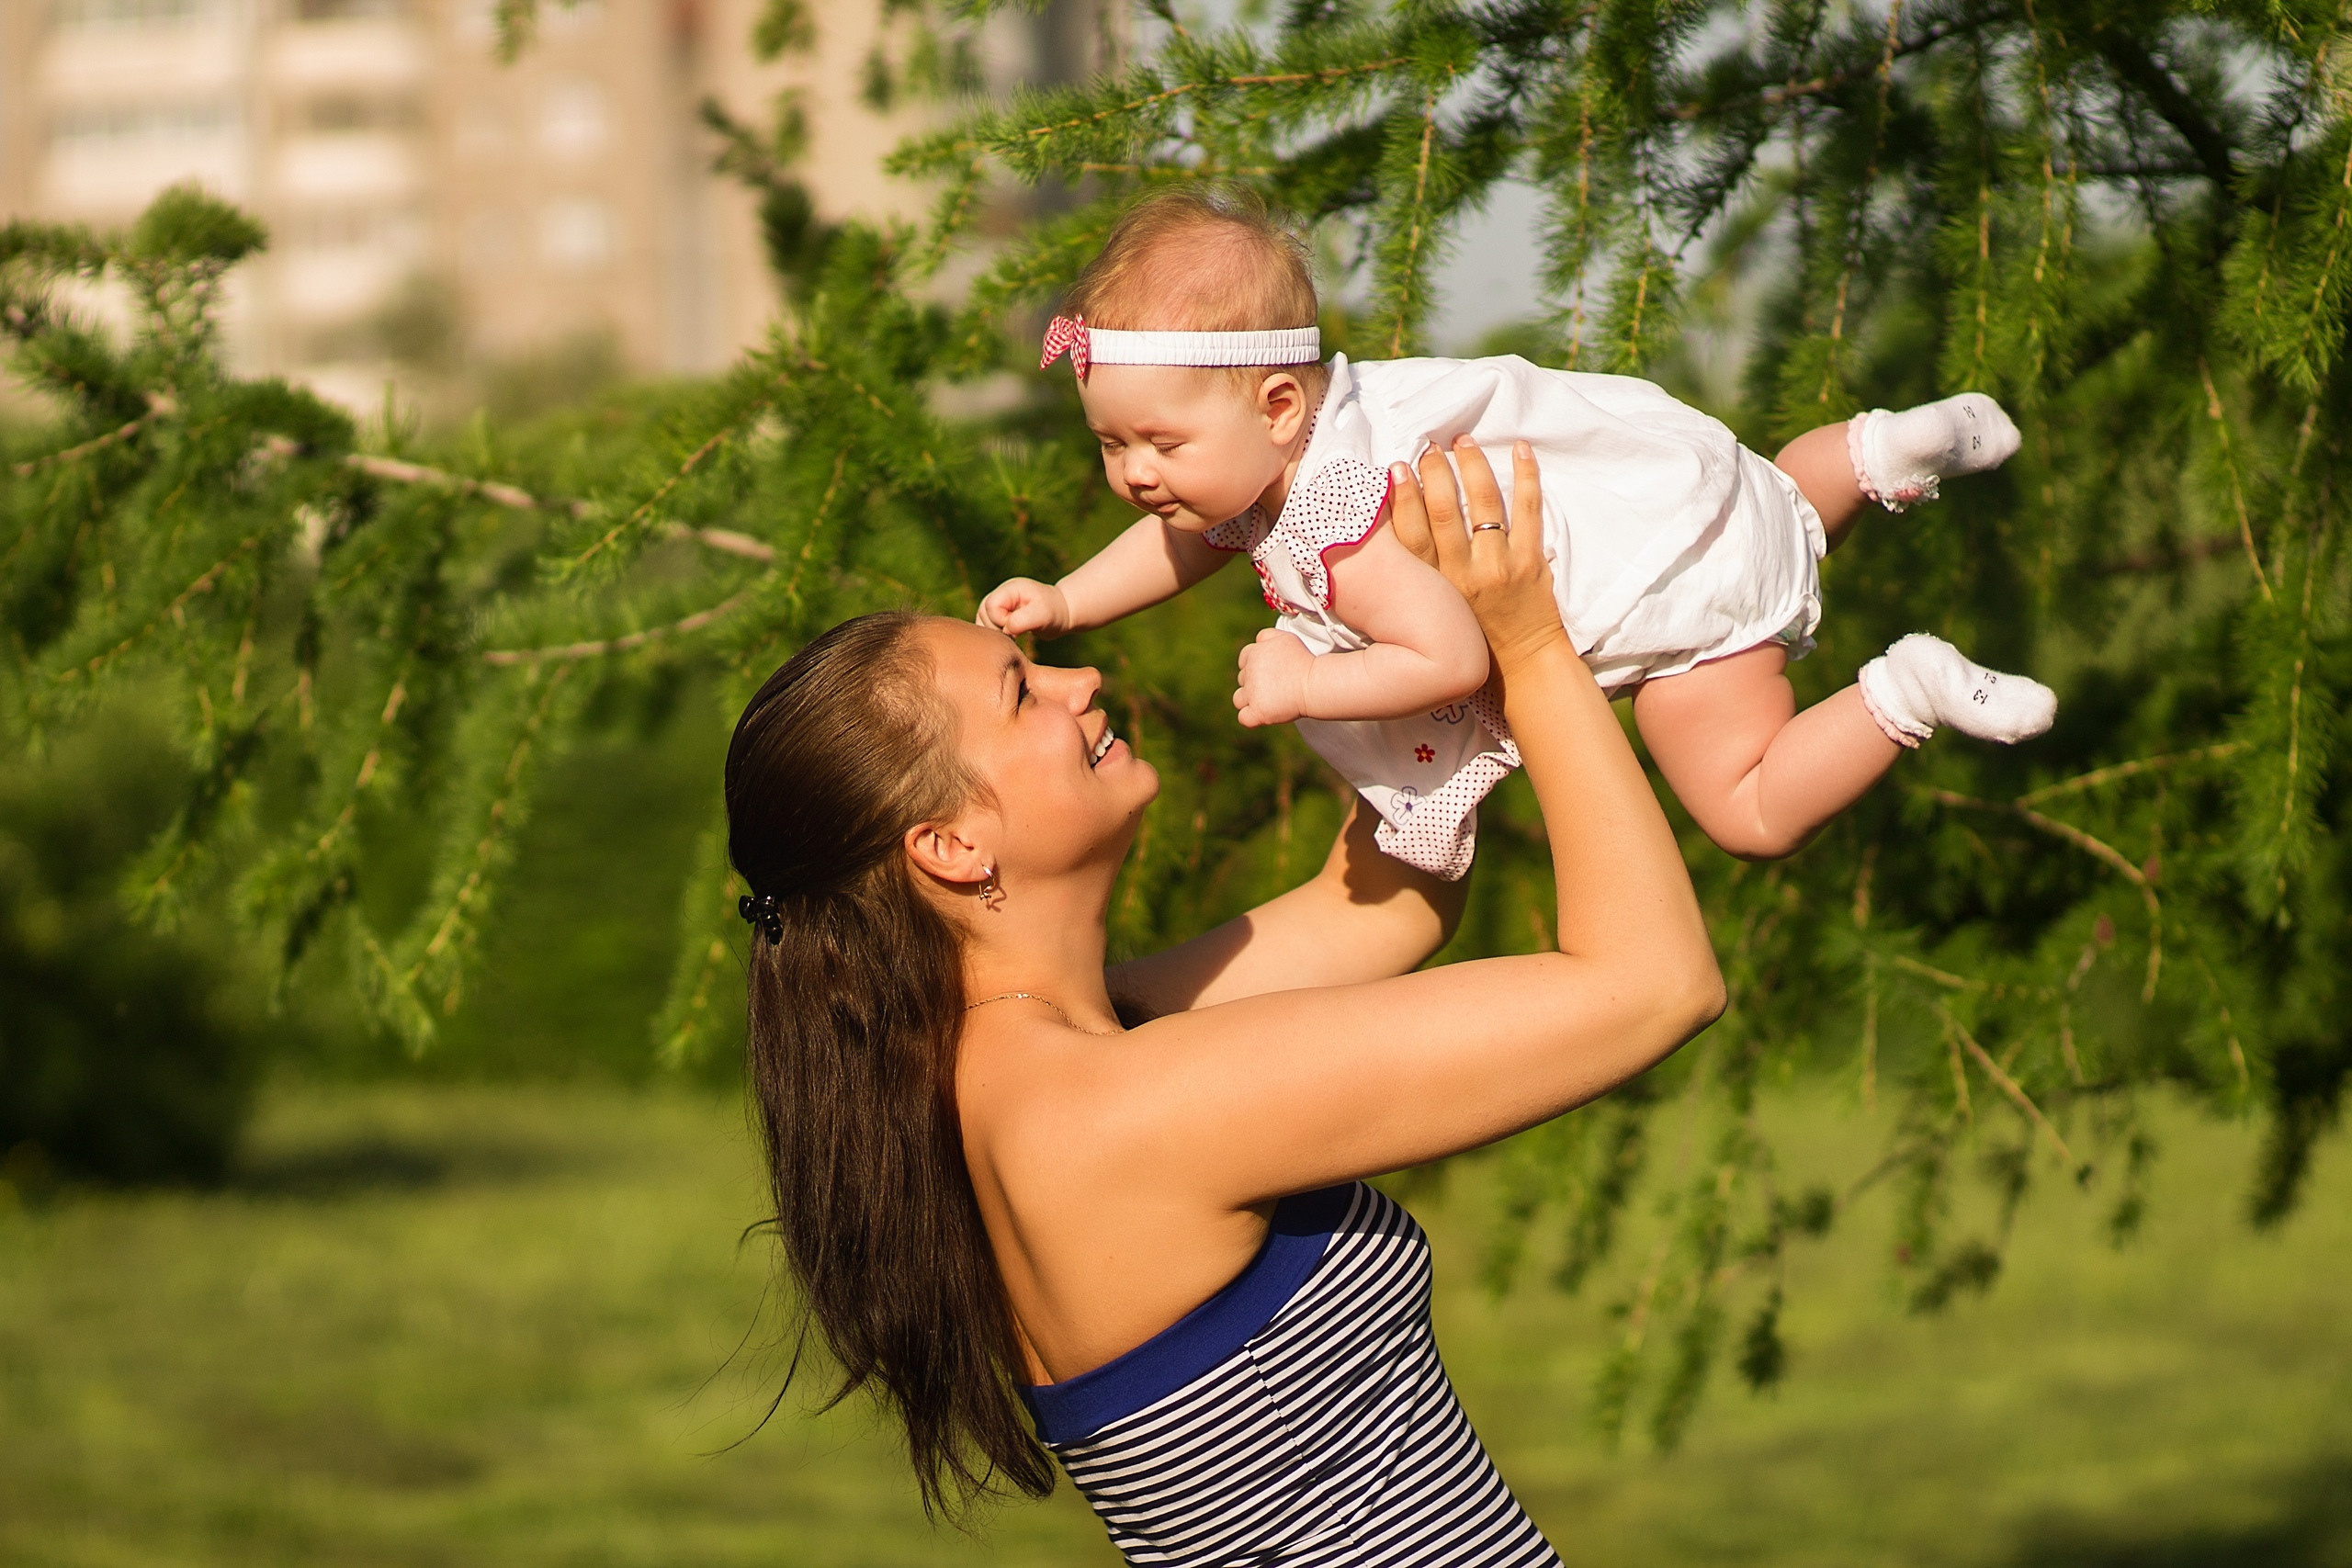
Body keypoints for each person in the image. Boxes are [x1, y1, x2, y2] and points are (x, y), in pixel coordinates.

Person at [723, 436, 1724, 1562]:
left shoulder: (1047, 1063)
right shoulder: (1111, 1112)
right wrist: (1529, 644)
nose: (1079, 677)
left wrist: (1385, 636)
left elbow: (1390, 901)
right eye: (1020, 693)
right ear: (950, 846)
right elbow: (1652, 985)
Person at [979, 188, 2056, 878]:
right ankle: (1885, 451)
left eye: (1157, 444)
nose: (1135, 477)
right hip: (1690, 496)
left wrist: (1307, 686)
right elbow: (1182, 537)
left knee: (1749, 810)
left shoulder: (1344, 528)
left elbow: (1441, 655)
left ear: (1274, 409)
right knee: (1783, 503)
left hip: (1665, 617)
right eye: (1111, 446)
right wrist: (1071, 599)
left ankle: (1904, 690)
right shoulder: (1306, 439)